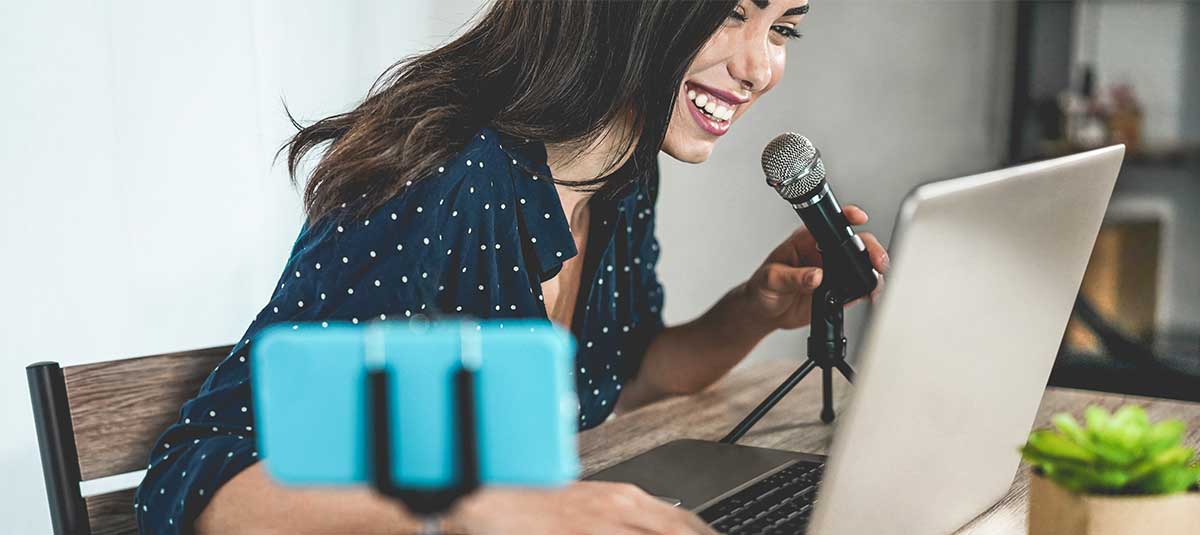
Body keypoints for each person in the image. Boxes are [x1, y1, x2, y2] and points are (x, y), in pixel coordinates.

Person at [135, 0, 888, 533]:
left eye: (783, 27)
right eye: (732, 13)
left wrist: (755, 308)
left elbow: (629, 374)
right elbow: (190, 475)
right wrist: (476, 511)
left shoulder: (622, 171)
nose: (761, 66)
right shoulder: (439, 174)